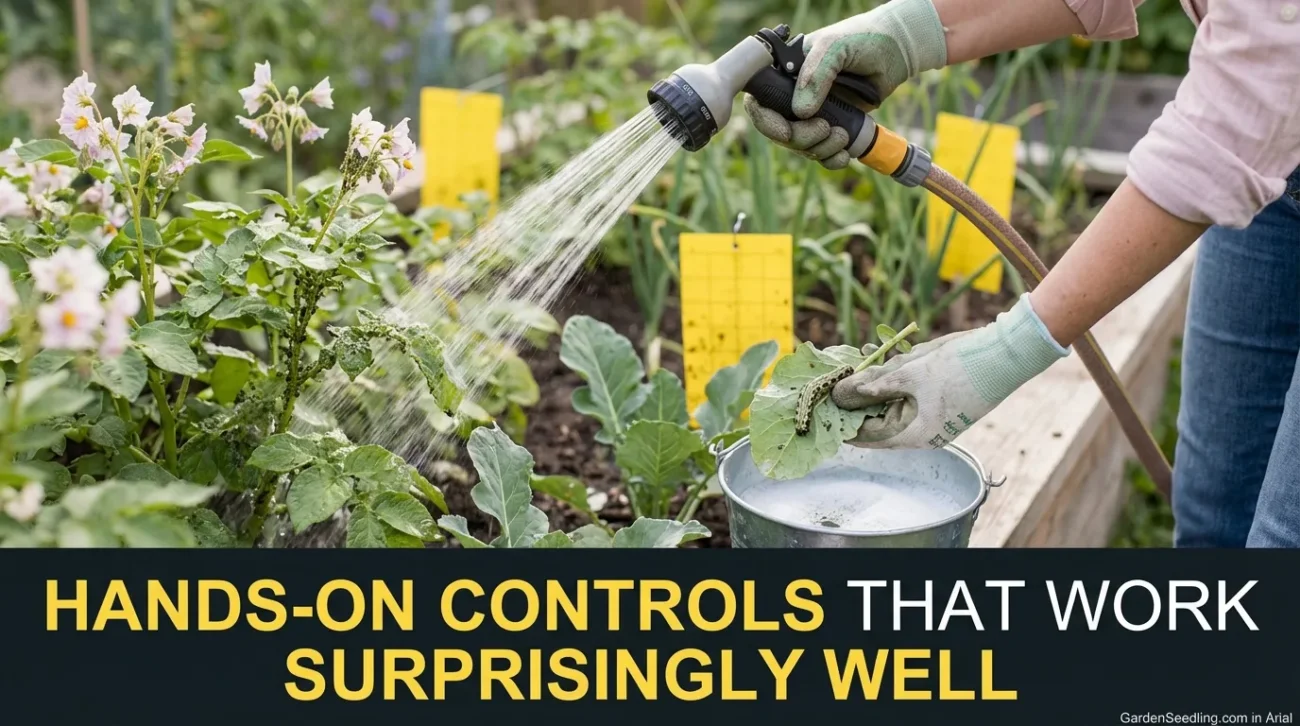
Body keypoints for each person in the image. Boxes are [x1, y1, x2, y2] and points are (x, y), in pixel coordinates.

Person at [744, 0, 1300, 548]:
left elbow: (1244, 109)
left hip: (1263, 113)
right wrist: (909, 32)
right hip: (1276, 149)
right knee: (1215, 515)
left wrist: (1008, 351)